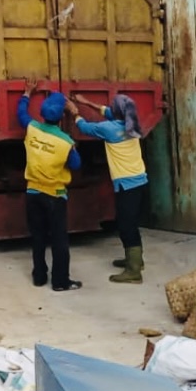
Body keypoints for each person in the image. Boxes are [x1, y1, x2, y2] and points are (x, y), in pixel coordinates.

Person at [72, 92, 150, 284]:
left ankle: (133, 272)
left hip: (126, 185)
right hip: (139, 181)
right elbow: (107, 112)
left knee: (126, 225)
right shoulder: (131, 123)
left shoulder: (108, 129)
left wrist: (74, 112)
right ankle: (136, 261)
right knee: (131, 223)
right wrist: (86, 102)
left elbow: (84, 127)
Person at [18, 78, 82, 291]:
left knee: (37, 236)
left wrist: (27, 93)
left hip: (32, 193)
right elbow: (76, 164)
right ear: (61, 117)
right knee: (59, 240)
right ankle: (60, 282)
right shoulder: (65, 142)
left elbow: (21, 114)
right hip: (55, 196)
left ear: (43, 114)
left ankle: (39, 277)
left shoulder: (32, 129)